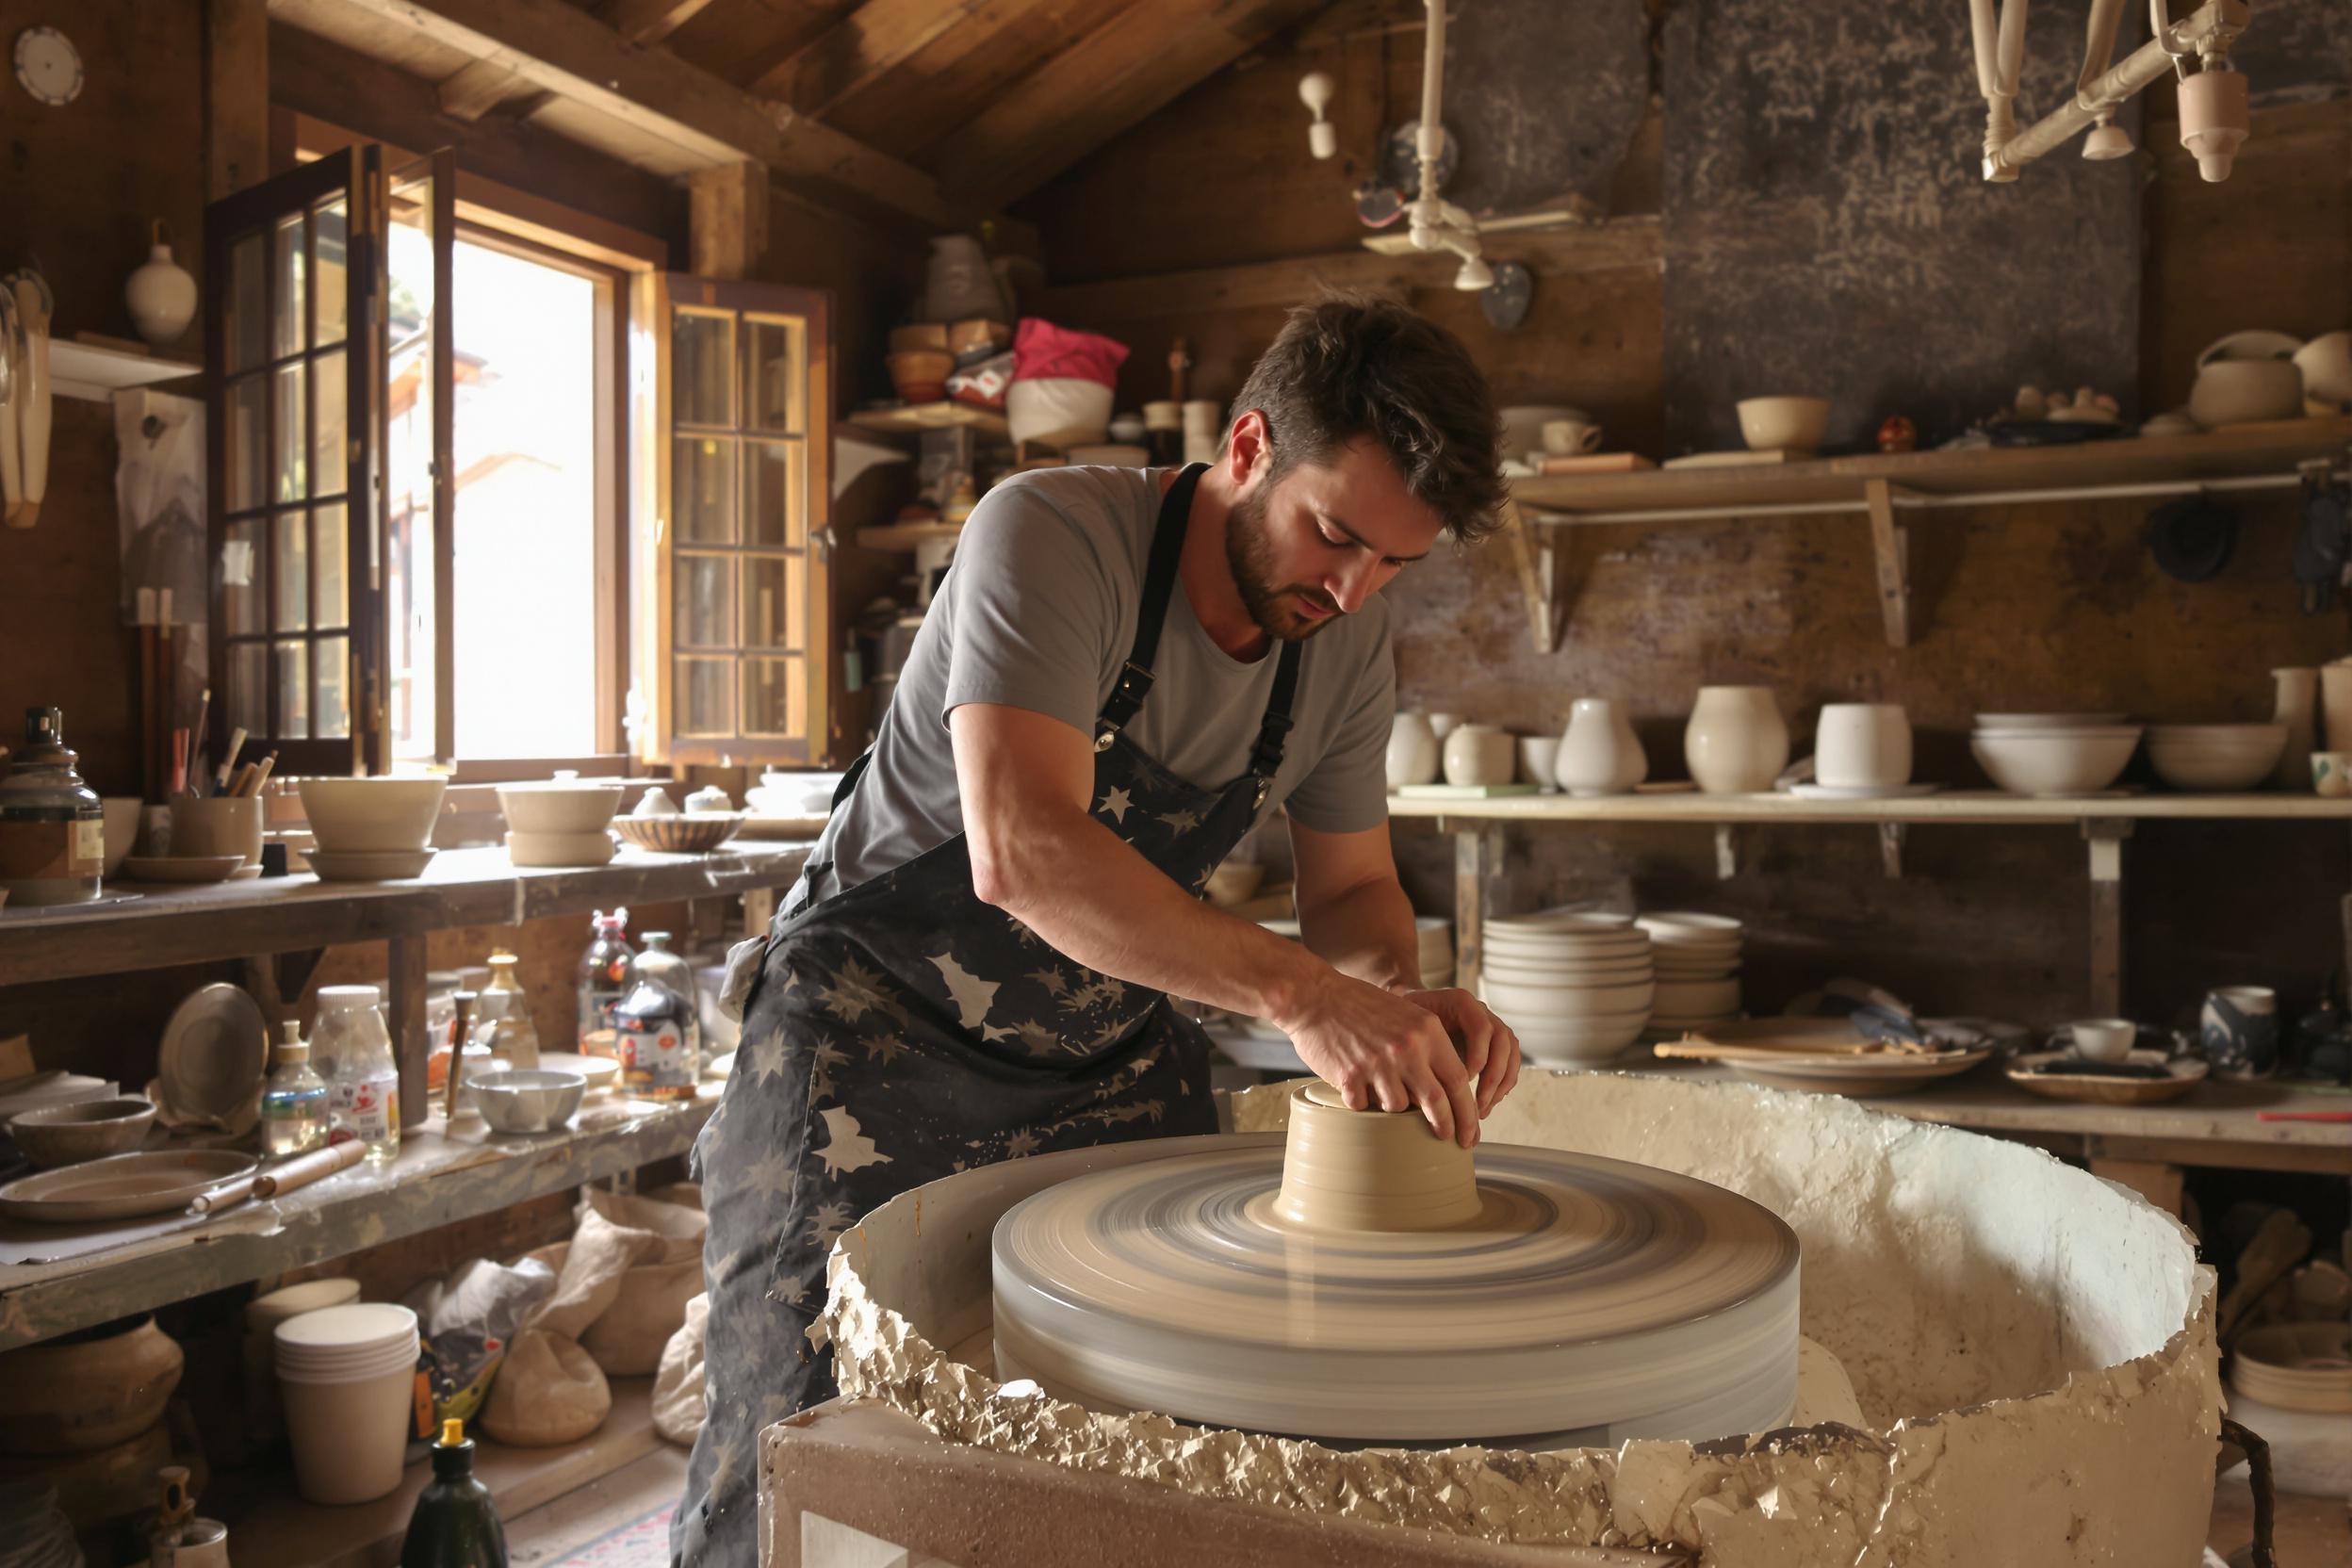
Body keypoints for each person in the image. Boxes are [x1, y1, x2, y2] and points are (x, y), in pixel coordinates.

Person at [675, 294, 1521, 1565]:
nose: (1353, 590)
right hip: (870, 1031)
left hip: (1098, 1041)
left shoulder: (1343, 640)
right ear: (1246, 452)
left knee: (1138, 1438)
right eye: (1335, 535)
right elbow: (1024, 851)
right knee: (806, 1435)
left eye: (1396, 564)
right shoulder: (1053, 533)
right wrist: (1306, 1002)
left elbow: (1351, 896)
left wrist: (1389, 1012)